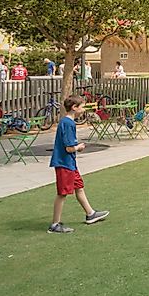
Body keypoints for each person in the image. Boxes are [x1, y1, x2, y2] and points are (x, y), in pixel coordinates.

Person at [48, 95, 109, 233]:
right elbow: (69, 148)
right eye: (82, 106)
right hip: (64, 163)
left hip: (70, 163)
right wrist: (79, 147)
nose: (83, 109)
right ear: (74, 108)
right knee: (62, 193)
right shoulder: (68, 124)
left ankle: (90, 213)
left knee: (79, 187)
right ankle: (55, 224)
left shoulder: (66, 122)